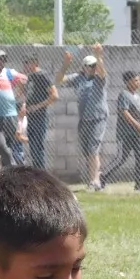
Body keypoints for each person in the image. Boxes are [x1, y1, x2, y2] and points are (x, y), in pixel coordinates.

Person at [58, 46, 109, 190]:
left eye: (95, 66)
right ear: (84, 67)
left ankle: (95, 181)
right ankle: (96, 177)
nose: (94, 68)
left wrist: (98, 56)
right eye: (91, 66)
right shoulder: (78, 78)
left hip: (98, 117)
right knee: (87, 151)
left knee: (93, 149)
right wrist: (66, 64)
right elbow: (59, 80)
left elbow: (103, 72)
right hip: (84, 119)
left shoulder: (99, 79)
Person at [104, 70, 140, 190]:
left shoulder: (137, 97)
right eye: (135, 80)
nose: (138, 82)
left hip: (139, 134)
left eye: (138, 80)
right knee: (121, 158)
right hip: (126, 134)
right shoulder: (124, 95)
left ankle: (139, 184)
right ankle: (102, 176)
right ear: (128, 82)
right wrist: (137, 125)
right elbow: (124, 112)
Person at [24, 54, 59, 170]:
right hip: (30, 117)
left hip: (39, 117)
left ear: (35, 63)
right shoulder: (30, 77)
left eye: (27, 62)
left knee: (38, 148)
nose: (25, 65)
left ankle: (42, 174)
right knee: (33, 148)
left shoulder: (42, 75)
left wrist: (37, 107)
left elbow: (54, 95)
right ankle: (38, 173)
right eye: (24, 62)